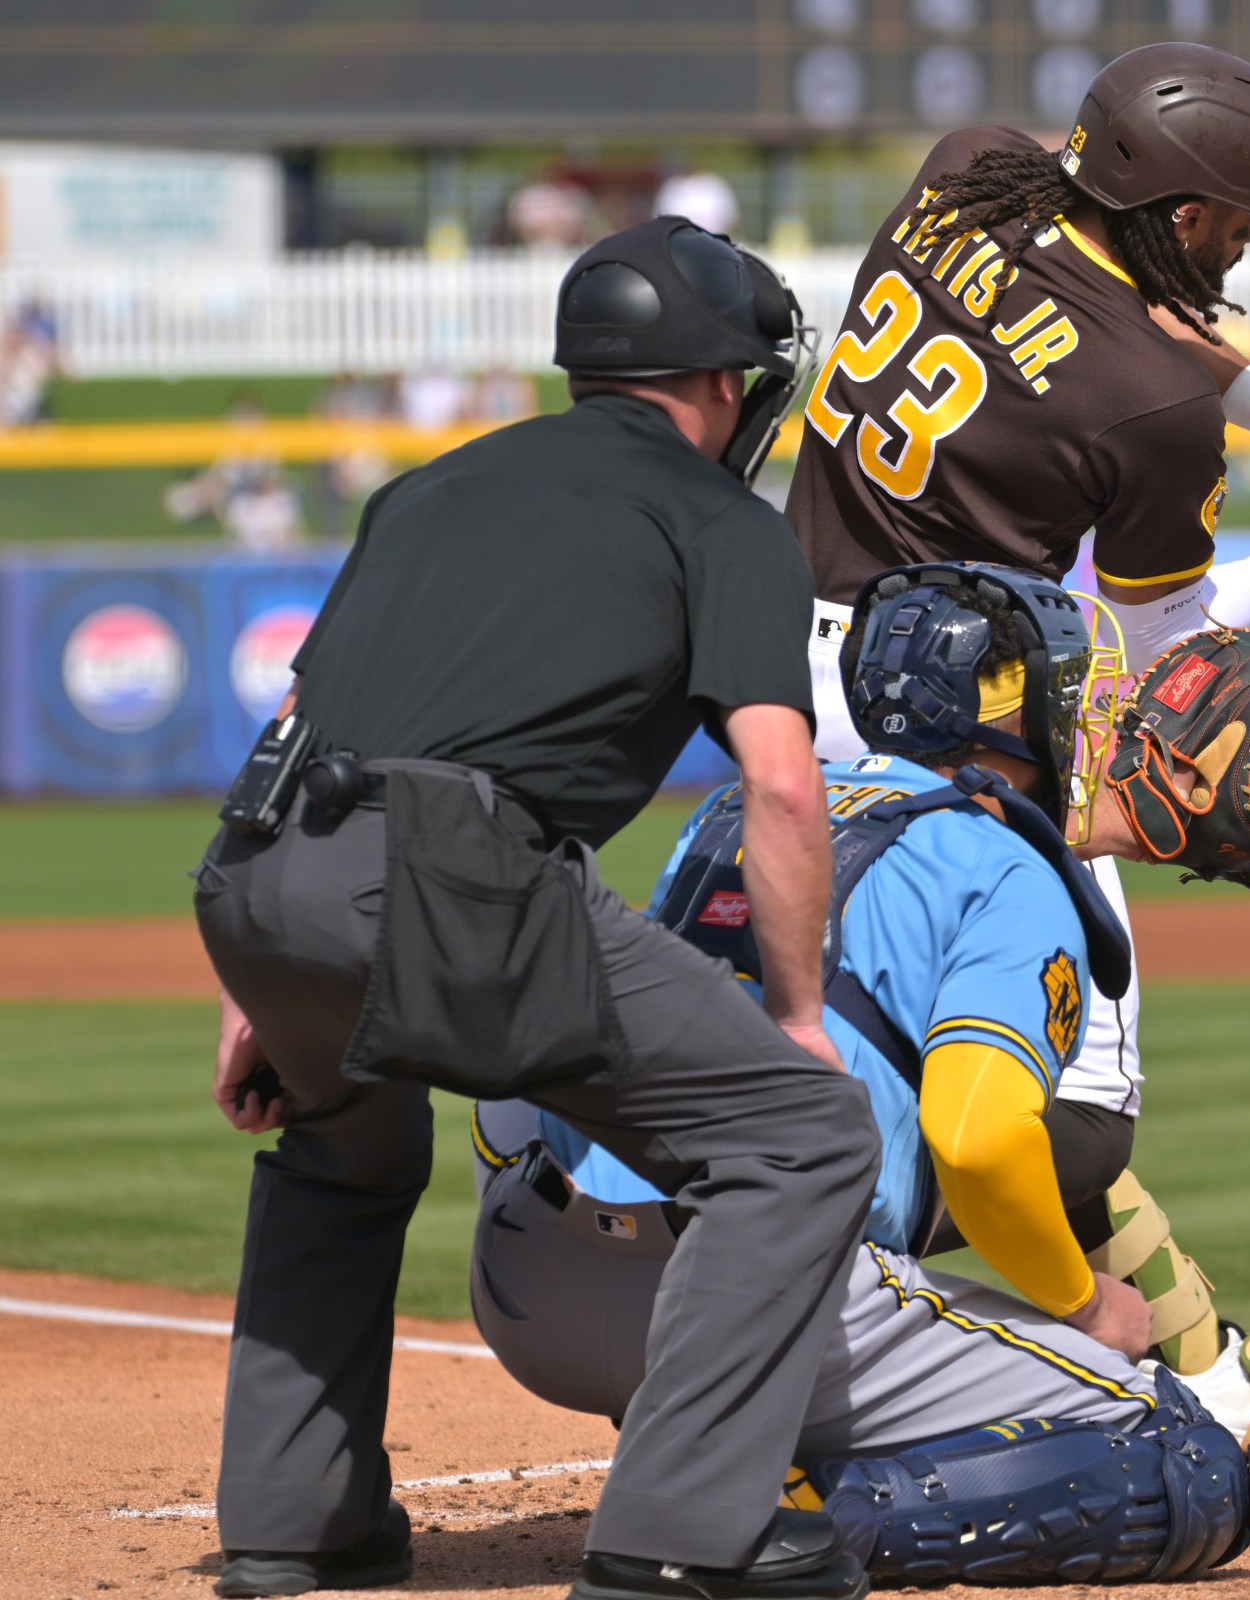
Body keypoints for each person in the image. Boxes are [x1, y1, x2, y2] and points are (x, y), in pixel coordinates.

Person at [191, 217, 882, 1600]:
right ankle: (684, 1540)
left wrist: (254, 994)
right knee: (800, 1133)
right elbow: (784, 789)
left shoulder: (429, 491)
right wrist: (798, 1016)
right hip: (452, 873)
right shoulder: (721, 521)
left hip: (258, 867)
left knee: (343, 1147)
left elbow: (294, 722)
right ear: (724, 381)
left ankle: (293, 1524)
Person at [781, 40, 1250, 1460]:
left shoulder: (969, 172)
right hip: (955, 715)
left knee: (875, 1017)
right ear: (1185, 212)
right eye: (1240, 217)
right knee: (1076, 1082)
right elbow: (1167, 668)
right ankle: (1087, 1343)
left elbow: (1108, 310)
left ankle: (1195, 1347)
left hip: (790, 670)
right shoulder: (1155, 411)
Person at [467, 565, 1250, 1581]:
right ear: (1011, 704)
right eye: (1064, 677)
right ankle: (780, 1520)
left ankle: (721, 1449)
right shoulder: (1006, 862)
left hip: (524, 1281)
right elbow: (978, 1140)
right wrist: (1084, 1306)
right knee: (1189, 1458)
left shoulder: (741, 807)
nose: (1081, 697)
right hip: (734, 1301)